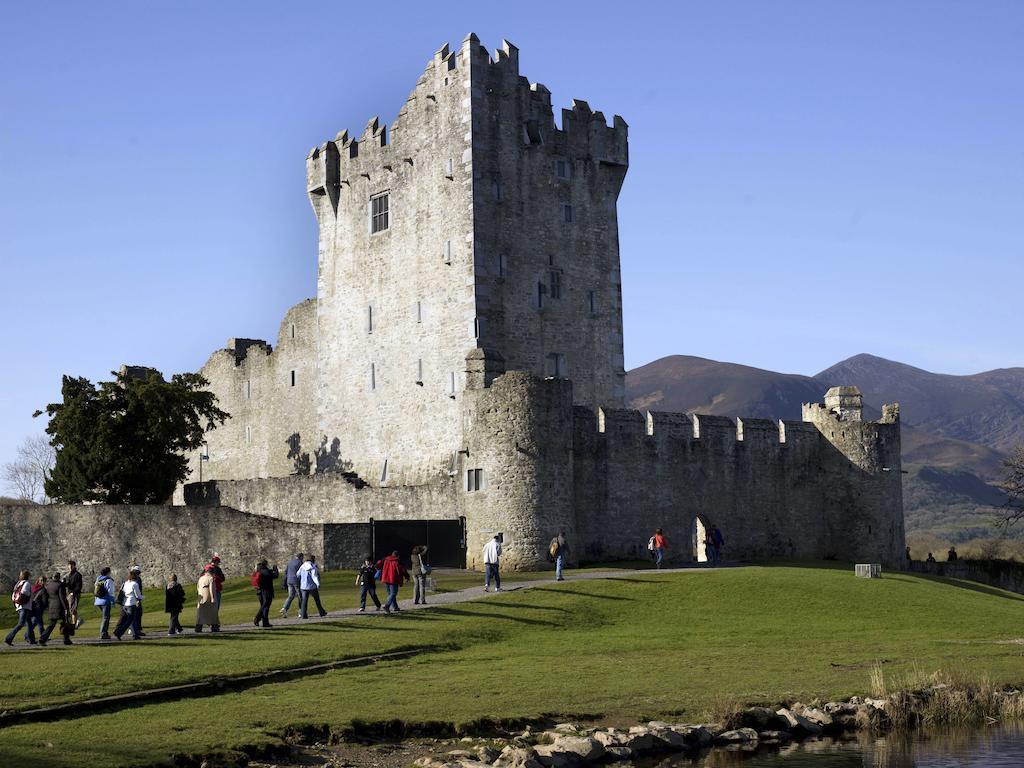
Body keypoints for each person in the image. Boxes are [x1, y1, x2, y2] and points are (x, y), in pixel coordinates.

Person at [39, 572, 73, 646]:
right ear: (59, 577)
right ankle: (66, 639)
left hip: (51, 605)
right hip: (59, 606)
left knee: (52, 624)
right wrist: (66, 607)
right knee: (65, 622)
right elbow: (62, 597)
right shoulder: (60, 585)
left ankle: (43, 638)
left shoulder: (49, 585)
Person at [5, 569, 37, 646]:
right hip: (25, 606)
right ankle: (8, 638)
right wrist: (30, 597)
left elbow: (13, 596)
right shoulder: (27, 584)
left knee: (29, 623)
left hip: (19, 606)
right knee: (21, 624)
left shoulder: (18, 584)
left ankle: (31, 640)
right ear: (28, 576)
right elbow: (25, 593)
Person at [113, 571, 142, 641]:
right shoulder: (135, 584)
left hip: (124, 603)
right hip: (131, 603)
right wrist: (141, 598)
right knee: (129, 620)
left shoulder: (125, 583)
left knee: (128, 619)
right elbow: (137, 595)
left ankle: (135, 635)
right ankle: (119, 632)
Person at [298, 555, 327, 619]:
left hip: (303, 586)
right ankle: (321, 612)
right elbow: (314, 576)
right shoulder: (313, 567)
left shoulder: (302, 566)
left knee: (304, 601)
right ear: (312, 560)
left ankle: (303, 615)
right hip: (312, 586)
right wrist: (318, 584)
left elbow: (298, 574)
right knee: (317, 600)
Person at [253, 559, 279, 628]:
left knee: (264, 606)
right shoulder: (264, 570)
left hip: (259, 590)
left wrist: (270, 571)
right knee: (265, 606)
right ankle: (258, 618)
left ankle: (265, 622)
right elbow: (275, 576)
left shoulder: (257, 569)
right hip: (266, 590)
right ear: (265, 563)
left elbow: (268, 574)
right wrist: (275, 569)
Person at [279, 551, 304, 618]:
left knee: (291, 596)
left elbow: (286, 572)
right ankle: (301, 611)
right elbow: (302, 572)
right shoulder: (300, 562)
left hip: (289, 581)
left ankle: (285, 608)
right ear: (301, 557)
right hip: (296, 581)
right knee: (300, 596)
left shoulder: (290, 562)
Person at [195, 565, 220, 632]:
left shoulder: (200, 578)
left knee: (200, 613)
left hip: (201, 598)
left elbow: (197, 588)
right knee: (212, 612)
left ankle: (198, 628)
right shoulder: (210, 578)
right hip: (208, 597)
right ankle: (214, 627)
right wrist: (212, 598)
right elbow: (211, 589)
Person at [94, 566, 116, 640]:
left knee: (104, 617)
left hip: (98, 601)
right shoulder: (109, 580)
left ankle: (104, 632)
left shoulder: (98, 579)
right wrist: (113, 601)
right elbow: (111, 592)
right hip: (105, 601)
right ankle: (103, 633)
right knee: (106, 618)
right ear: (108, 573)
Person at [66, 559, 84, 629]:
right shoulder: (69, 575)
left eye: (71, 566)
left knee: (73, 609)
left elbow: (79, 586)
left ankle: (74, 624)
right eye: (69, 566)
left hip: (75, 594)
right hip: (70, 593)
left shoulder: (77, 575)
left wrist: (73, 592)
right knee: (70, 609)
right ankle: (77, 621)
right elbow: (69, 585)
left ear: (74, 566)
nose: (70, 567)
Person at [129, 565, 146, 638]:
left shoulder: (129, 580)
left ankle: (132, 628)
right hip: (136, 599)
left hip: (130, 599)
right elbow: (137, 591)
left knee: (134, 614)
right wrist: (139, 599)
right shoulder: (137, 579)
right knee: (138, 614)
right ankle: (137, 629)